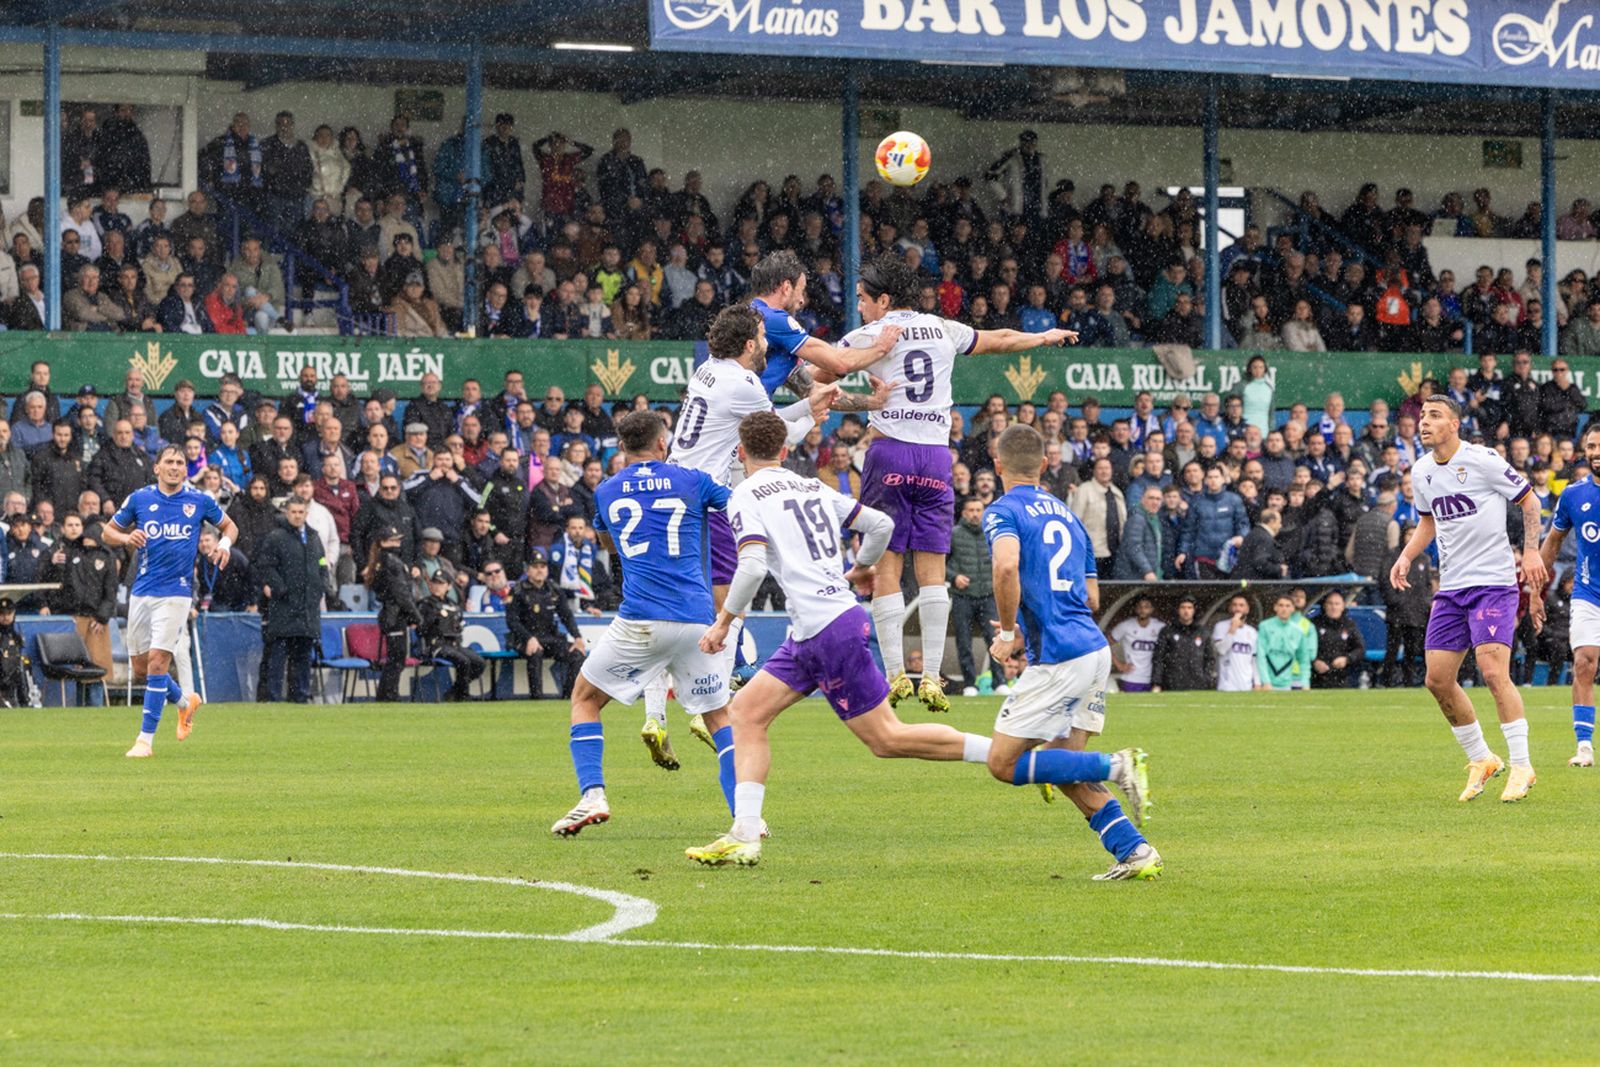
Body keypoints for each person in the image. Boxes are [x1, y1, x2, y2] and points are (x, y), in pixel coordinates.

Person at [685, 412, 995, 868]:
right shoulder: (810, 485)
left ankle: (1004, 751)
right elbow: (881, 525)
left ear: (739, 452)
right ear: (785, 451)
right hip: (816, 627)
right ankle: (745, 832)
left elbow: (750, 568)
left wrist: (723, 622)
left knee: (887, 739)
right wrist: (864, 565)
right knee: (746, 713)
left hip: (826, 627)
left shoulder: (744, 495)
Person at [828, 253, 1074, 713]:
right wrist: (1042, 336)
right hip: (937, 458)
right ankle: (934, 679)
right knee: (932, 573)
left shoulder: (870, 335)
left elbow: (821, 378)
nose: (860, 308)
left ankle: (897, 675)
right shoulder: (942, 327)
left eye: (862, 299)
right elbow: (999, 339)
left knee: (886, 568)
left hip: (890, 451)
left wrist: (864, 395)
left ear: (883, 299)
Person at [957, 423, 1159, 880]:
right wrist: (1032, 623)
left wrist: (1010, 631)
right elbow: (1090, 599)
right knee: (1064, 769)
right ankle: (1136, 852)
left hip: (1063, 657)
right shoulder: (1069, 516)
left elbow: (1006, 566)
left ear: (996, 465)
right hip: (1091, 648)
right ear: (1045, 465)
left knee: (1003, 763)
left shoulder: (1003, 510)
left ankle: (1119, 764)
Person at [551, 411, 739, 839]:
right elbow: (735, 508)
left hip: (640, 620)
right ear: (662, 444)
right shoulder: (691, 480)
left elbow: (607, 543)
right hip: (695, 618)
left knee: (584, 699)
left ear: (622, 449)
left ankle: (593, 795)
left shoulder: (606, 490)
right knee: (718, 717)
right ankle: (746, 815)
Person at [1390, 395, 1547, 802]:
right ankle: (1482, 758)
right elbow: (1428, 521)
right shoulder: (1422, 471)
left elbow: (1531, 500)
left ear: (1455, 425)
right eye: (1422, 416)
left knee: (1493, 671)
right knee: (1437, 679)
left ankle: (1522, 766)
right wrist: (1406, 555)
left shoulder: (1483, 460)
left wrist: (1531, 550)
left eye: (1435, 416)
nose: (1424, 422)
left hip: (1493, 583)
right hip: (1453, 588)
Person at [101, 445, 236, 756]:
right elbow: (108, 532)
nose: (175, 467)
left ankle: (144, 741)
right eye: (169, 462)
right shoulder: (140, 499)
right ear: (156, 468)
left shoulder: (199, 501)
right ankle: (184, 703)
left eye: (180, 463)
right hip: (141, 591)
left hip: (176, 593)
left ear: (185, 470)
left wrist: (224, 544)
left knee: (159, 661)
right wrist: (126, 538)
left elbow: (230, 526)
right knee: (141, 669)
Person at [1535, 423, 1600, 768]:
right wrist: (1535, 589)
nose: (1596, 452)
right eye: (1591, 446)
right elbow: (1554, 541)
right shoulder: (1574, 494)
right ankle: (1585, 747)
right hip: (1589, 593)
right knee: (1584, 661)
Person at [254, 497, 328, 704]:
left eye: (301, 512)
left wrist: (321, 587)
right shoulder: (276, 537)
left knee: (303, 655)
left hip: (308, 607)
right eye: (293, 512)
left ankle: (300, 696)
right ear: (287, 513)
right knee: (278, 654)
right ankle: (274, 696)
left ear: (306, 513)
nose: (297, 515)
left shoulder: (314, 537)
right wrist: (281, 589)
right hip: (284, 606)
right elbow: (266, 566)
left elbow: (322, 564)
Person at [44, 513, 119, 687]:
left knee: (97, 669)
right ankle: (75, 705)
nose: (85, 539)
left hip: (95, 620)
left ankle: (96, 707)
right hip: (73, 617)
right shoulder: (70, 551)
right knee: (74, 669)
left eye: (89, 536)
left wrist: (102, 617)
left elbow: (111, 592)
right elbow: (57, 580)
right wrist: (52, 562)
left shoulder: (107, 557)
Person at [506, 550, 588, 700]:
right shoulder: (518, 591)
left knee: (577, 655)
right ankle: (537, 698)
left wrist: (577, 637)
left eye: (542, 567)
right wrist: (528, 638)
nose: (539, 570)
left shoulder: (554, 589)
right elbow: (512, 621)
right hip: (524, 639)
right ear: (528, 570)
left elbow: (566, 616)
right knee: (535, 653)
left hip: (549, 637)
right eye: (535, 567)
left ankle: (568, 697)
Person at [947, 496, 1000, 698]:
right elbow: (938, 565)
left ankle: (999, 681)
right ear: (963, 513)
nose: (975, 514)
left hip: (988, 594)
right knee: (963, 640)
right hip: (962, 596)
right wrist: (954, 577)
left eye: (979, 510)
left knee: (994, 638)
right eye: (971, 510)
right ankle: (969, 683)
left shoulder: (992, 533)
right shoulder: (953, 534)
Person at [363, 524, 419, 702]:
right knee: (397, 659)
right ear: (383, 542)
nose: (397, 543)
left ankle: (386, 695)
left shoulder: (380, 561)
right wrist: (415, 615)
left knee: (394, 659)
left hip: (390, 613)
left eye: (397, 539)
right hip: (395, 614)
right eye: (393, 540)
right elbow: (401, 593)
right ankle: (388, 696)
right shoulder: (392, 561)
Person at [417, 572, 484, 701]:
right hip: (436, 645)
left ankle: (455, 690)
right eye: (435, 583)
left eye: (441, 583)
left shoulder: (453, 605)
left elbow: (458, 625)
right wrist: (434, 620)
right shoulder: (426, 604)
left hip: (454, 645)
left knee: (478, 662)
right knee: (463, 661)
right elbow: (421, 630)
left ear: (448, 586)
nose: (437, 587)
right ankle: (463, 696)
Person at [1151, 595, 1215, 692]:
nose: (1186, 611)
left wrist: (1206, 680)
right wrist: (1157, 683)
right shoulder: (1167, 631)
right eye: (1183, 607)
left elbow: (1209, 659)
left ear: (1194, 610)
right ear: (1178, 610)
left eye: (1189, 608)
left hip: (1198, 684)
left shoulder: (1203, 632)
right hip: (1172, 683)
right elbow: (1158, 658)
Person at [1256, 594, 1313, 691]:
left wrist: (1305, 683)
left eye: (1287, 606)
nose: (1284, 609)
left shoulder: (1299, 631)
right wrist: (1265, 681)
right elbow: (1261, 656)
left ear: (1293, 609)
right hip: (1267, 685)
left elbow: (1304, 660)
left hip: (1287, 685)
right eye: (1281, 605)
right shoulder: (1265, 626)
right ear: (1275, 607)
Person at [1109, 595, 1165, 693]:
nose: (1143, 610)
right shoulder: (1125, 626)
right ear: (1136, 609)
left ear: (1152, 609)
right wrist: (1119, 665)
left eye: (1146, 607)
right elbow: (1103, 645)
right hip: (1131, 679)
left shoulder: (1160, 627)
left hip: (1153, 680)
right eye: (1140, 607)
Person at [1311, 590, 1365, 689]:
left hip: (1341, 677)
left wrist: (1346, 659)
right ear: (1324, 605)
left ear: (1343, 606)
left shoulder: (1349, 625)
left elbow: (1360, 649)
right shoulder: (1314, 624)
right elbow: (1304, 648)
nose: (1333, 607)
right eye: (1330, 603)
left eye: (1337, 604)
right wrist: (1314, 661)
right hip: (1316, 677)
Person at [1212, 594, 1261, 692]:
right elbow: (1221, 650)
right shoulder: (1220, 626)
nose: (1237, 608)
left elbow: (1254, 660)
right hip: (1226, 685)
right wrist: (1232, 629)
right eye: (1234, 605)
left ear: (1247, 609)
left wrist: (1257, 683)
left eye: (1241, 605)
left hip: (1246, 685)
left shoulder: (1252, 632)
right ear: (1230, 608)